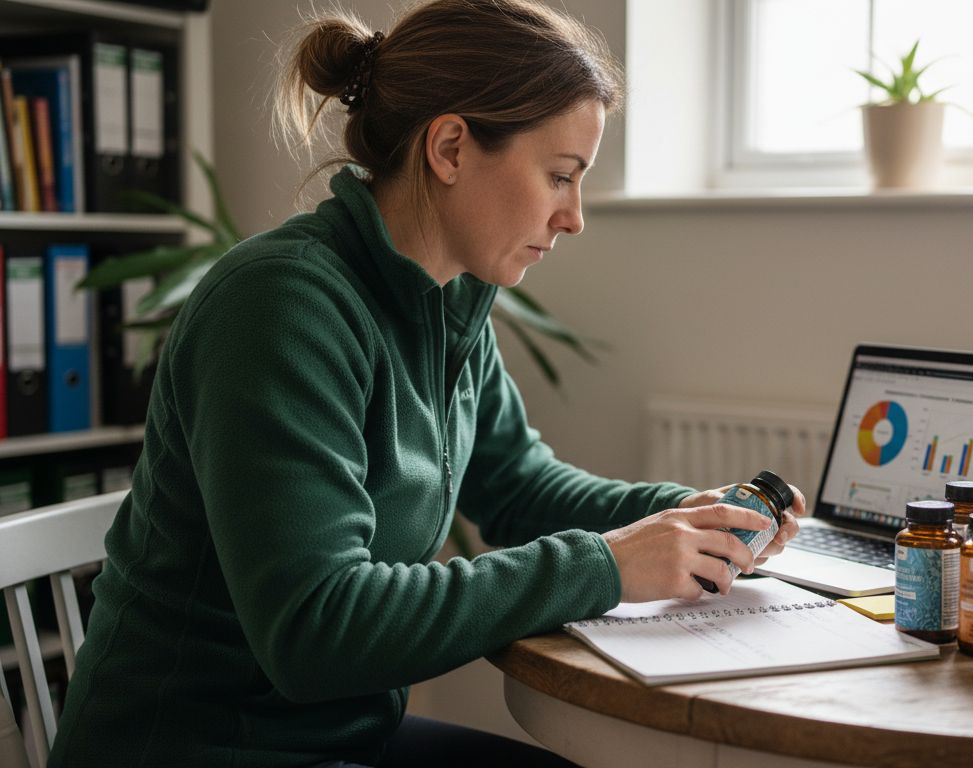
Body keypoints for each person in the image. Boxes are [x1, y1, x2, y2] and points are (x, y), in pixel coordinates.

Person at [48, 1, 804, 766]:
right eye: (559, 176)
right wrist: (606, 565)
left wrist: (684, 518)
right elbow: (319, 629)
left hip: (340, 742)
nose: (573, 217)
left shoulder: (445, 300)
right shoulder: (280, 307)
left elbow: (518, 487)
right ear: (449, 147)